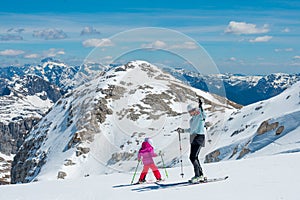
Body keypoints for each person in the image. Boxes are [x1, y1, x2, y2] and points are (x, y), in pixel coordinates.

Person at [177, 102, 207, 183]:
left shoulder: (199, 116)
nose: (190, 113)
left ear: (195, 110)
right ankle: (200, 175)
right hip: (193, 137)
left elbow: (204, 115)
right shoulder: (192, 120)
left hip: (199, 137)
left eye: (192, 111)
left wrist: (201, 107)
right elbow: (191, 130)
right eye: (189, 111)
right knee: (194, 157)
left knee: (192, 157)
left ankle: (198, 175)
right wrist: (182, 130)